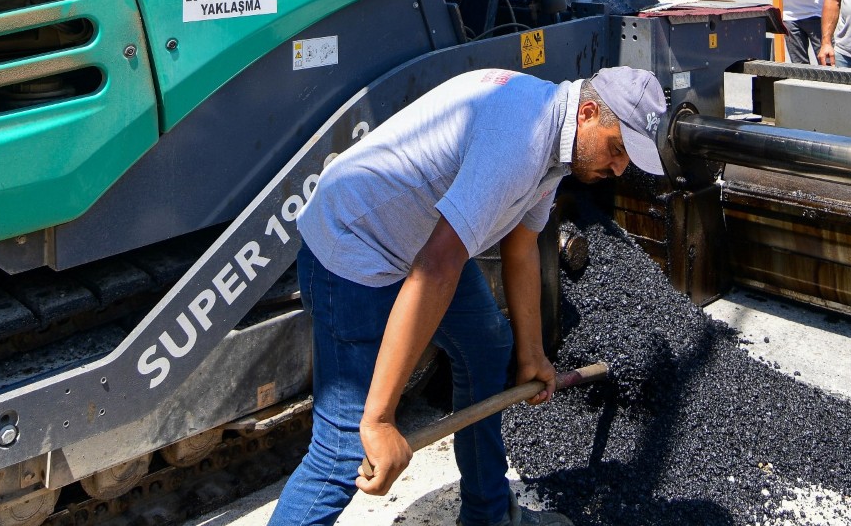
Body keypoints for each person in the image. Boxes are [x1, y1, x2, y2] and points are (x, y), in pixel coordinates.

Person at [272, 66, 671, 524]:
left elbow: (521, 245)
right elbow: (436, 268)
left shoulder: (560, 145)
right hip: (355, 242)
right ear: (587, 113)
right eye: (617, 149)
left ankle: (487, 515)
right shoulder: (522, 138)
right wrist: (380, 420)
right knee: (345, 447)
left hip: (417, 237)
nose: (619, 169)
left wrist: (533, 353)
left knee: (486, 347)